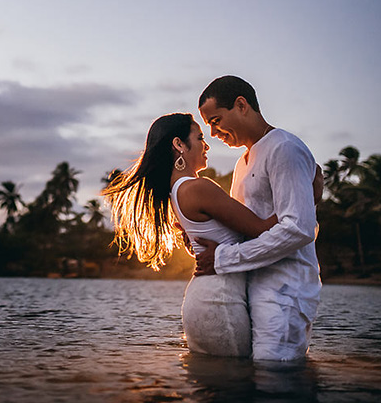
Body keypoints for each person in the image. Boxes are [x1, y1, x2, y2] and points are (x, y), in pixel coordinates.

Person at [102, 112, 279, 357]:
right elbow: (263, 229)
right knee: (236, 390)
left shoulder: (175, 192)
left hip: (207, 300)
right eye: (199, 138)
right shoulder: (198, 188)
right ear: (179, 144)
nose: (206, 145)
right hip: (220, 303)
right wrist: (307, 196)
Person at [193, 75, 321, 363]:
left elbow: (298, 228)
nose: (213, 133)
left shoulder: (284, 147)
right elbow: (243, 225)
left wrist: (223, 259)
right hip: (252, 283)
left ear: (241, 105)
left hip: (286, 288)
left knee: (274, 373)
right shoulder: (242, 162)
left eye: (215, 120)